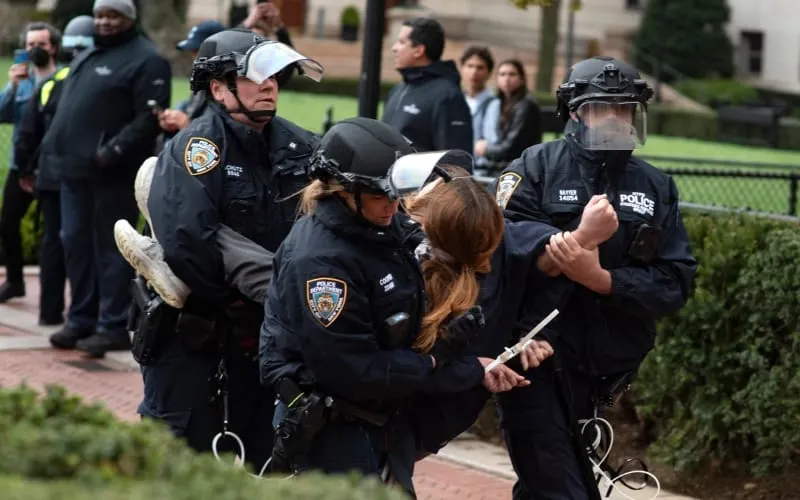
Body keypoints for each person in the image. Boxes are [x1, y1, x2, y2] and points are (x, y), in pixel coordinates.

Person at [258, 119, 531, 495]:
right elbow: (354, 370)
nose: (393, 204)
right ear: (344, 191)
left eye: (396, 193)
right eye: (379, 195)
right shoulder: (322, 267)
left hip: (380, 425)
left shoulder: (380, 230)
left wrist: (464, 351)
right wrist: (435, 359)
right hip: (334, 435)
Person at [494, 56, 698, 500]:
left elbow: (675, 283)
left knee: (545, 487)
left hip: (604, 375)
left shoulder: (656, 187)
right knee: (563, 490)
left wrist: (602, 279)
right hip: (535, 367)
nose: (615, 119)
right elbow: (499, 260)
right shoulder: (533, 168)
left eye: (624, 109)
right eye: (602, 108)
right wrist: (572, 244)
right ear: (573, 111)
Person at [127, 29, 323, 471]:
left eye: (274, 75)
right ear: (218, 87)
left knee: (263, 459)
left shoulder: (303, 147)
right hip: (199, 340)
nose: (270, 84)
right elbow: (189, 243)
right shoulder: (198, 148)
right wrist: (237, 301)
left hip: (267, 341)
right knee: (177, 458)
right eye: (255, 76)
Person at [41, 0, 172, 357]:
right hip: (71, 173)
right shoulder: (89, 55)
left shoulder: (147, 60)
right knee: (75, 245)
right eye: (100, 15)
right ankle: (81, 318)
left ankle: (111, 324)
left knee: (110, 252)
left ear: (129, 18)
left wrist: (109, 153)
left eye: (113, 15)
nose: (105, 22)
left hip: (111, 176)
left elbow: (147, 119)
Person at [13, 15, 95, 326]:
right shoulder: (93, 83)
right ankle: (84, 311)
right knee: (78, 242)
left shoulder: (51, 84)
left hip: (49, 173)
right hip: (79, 175)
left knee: (54, 242)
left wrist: (23, 168)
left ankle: (50, 312)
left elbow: (26, 132)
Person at [0, 21, 61, 305]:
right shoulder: (21, 85)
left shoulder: (62, 81)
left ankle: (53, 293)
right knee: (8, 222)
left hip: (49, 168)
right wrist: (12, 86)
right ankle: (14, 281)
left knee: (53, 232)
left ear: (53, 48)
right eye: (30, 45)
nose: (35, 49)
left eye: (41, 44)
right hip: (19, 165)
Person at [382, 17, 472, 153]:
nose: (394, 48)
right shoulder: (398, 89)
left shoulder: (447, 96)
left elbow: (455, 162)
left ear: (418, 51)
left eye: (401, 42)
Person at [474, 59, 542, 175]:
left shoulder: (525, 106)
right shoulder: (498, 104)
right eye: (502, 74)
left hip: (519, 170)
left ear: (521, 79)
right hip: (501, 167)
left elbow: (511, 148)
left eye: (512, 74)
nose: (507, 78)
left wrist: (486, 149)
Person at [459, 45, 499, 167]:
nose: (474, 72)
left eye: (480, 67)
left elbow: (491, 141)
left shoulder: (494, 103)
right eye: (470, 66)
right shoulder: (456, 100)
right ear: (462, 68)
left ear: (489, 72)